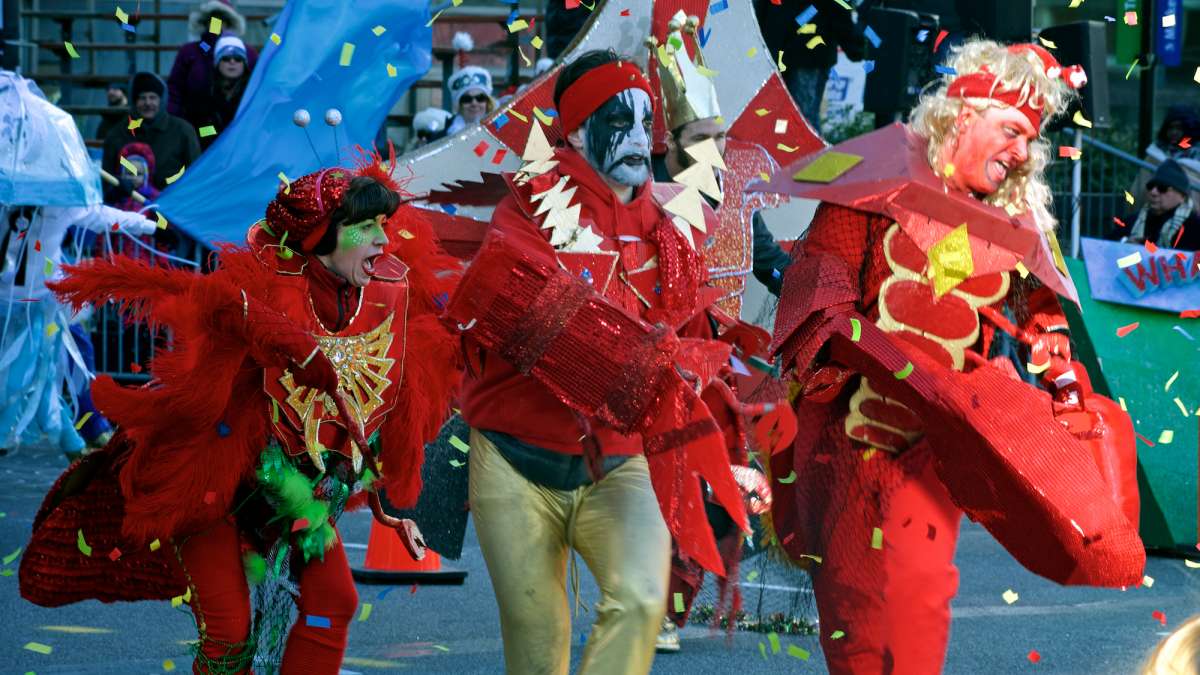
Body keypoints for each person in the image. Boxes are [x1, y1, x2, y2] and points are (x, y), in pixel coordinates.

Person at [765, 39, 1144, 674]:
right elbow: (822, 311)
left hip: (934, 451)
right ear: (964, 115)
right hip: (843, 440)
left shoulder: (1010, 220)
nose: (1022, 152)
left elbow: (1040, 319)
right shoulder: (871, 182)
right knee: (856, 623)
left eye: (1032, 139)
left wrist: (1064, 381)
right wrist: (915, 376)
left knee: (918, 616)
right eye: (1013, 130)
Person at [19, 154, 460, 674]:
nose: (383, 243)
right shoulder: (263, 279)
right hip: (211, 486)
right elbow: (224, 304)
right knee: (229, 635)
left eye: (383, 227)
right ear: (320, 237)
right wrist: (292, 343)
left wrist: (376, 492)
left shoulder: (378, 297)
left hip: (295, 493)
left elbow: (376, 408)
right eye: (365, 228)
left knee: (333, 603)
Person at [444, 49, 771, 674]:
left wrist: (730, 410)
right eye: (615, 117)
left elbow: (693, 338)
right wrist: (639, 362)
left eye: (645, 118)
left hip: (620, 462)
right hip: (517, 457)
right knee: (539, 646)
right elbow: (517, 309)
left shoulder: (673, 228)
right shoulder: (530, 206)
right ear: (572, 131)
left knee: (643, 602)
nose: (636, 137)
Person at [646, 14, 788, 652]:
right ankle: (649, 606)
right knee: (655, 494)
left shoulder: (731, 201)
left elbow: (773, 266)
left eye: (721, 136)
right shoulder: (643, 200)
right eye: (701, 136)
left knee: (712, 494)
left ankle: (671, 609)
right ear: (670, 143)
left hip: (716, 378)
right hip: (653, 373)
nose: (716, 148)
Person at [754, 0, 867, 130]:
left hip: (795, 53)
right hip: (793, 52)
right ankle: (792, 147)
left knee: (799, 118)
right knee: (794, 118)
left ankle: (801, 148)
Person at [167, 0, 259, 134]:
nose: (232, 61)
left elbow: (258, 86)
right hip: (198, 127)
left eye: (223, 19)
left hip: (239, 128)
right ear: (204, 22)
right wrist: (178, 125)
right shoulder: (190, 52)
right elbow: (174, 90)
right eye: (213, 19)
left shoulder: (246, 52)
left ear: (229, 23)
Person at [102, 71, 201, 194]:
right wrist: (119, 186)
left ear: (162, 100)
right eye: (142, 98)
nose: (148, 103)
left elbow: (196, 174)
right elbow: (106, 178)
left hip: (170, 204)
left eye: (153, 97)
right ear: (134, 101)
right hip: (129, 207)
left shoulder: (183, 131)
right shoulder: (118, 134)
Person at [182, 35, 252, 149]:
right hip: (209, 154)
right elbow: (196, 130)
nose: (232, 62)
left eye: (238, 58)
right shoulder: (201, 96)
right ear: (218, 62)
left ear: (244, 64)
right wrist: (216, 131)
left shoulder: (253, 95)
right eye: (226, 58)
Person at [1112, 159, 1200, 251]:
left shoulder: (1195, 227)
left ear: (1182, 195)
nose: (1153, 192)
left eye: (1162, 188)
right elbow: (1106, 246)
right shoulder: (1133, 220)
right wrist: (1124, 244)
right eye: (1150, 187)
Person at [1129, 105, 1200, 208]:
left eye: (1179, 128)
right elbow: (1138, 189)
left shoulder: (1196, 155)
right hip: (1152, 209)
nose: (1173, 132)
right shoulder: (1156, 153)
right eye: (1170, 127)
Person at [445, 64, 495, 135]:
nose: (474, 103)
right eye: (467, 99)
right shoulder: (443, 138)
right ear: (459, 105)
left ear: (487, 103)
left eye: (480, 98)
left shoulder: (500, 132)